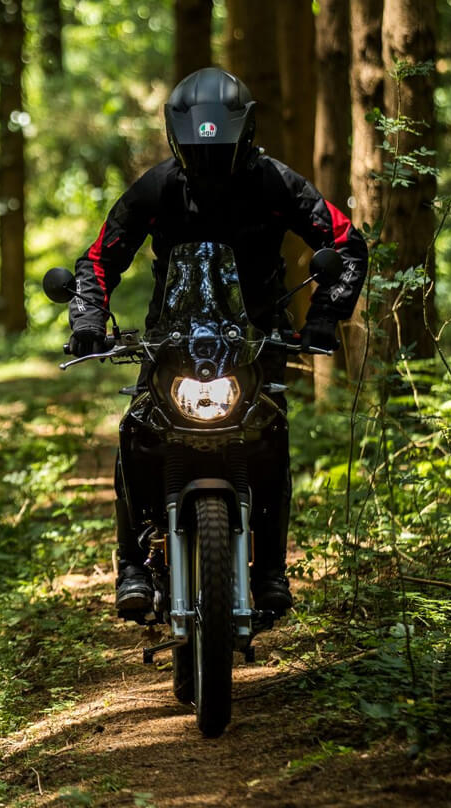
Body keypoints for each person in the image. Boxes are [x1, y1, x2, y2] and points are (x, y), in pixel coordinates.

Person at [66, 67, 367, 619]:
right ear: (177, 142)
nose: (208, 164)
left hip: (259, 337)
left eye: (220, 151)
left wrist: (324, 317)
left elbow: (345, 242)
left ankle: (271, 569)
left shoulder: (275, 183)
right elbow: (100, 257)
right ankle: (131, 565)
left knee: (270, 437)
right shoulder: (158, 187)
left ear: (245, 137)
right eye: (198, 153)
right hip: (171, 337)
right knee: (136, 432)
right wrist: (87, 318)